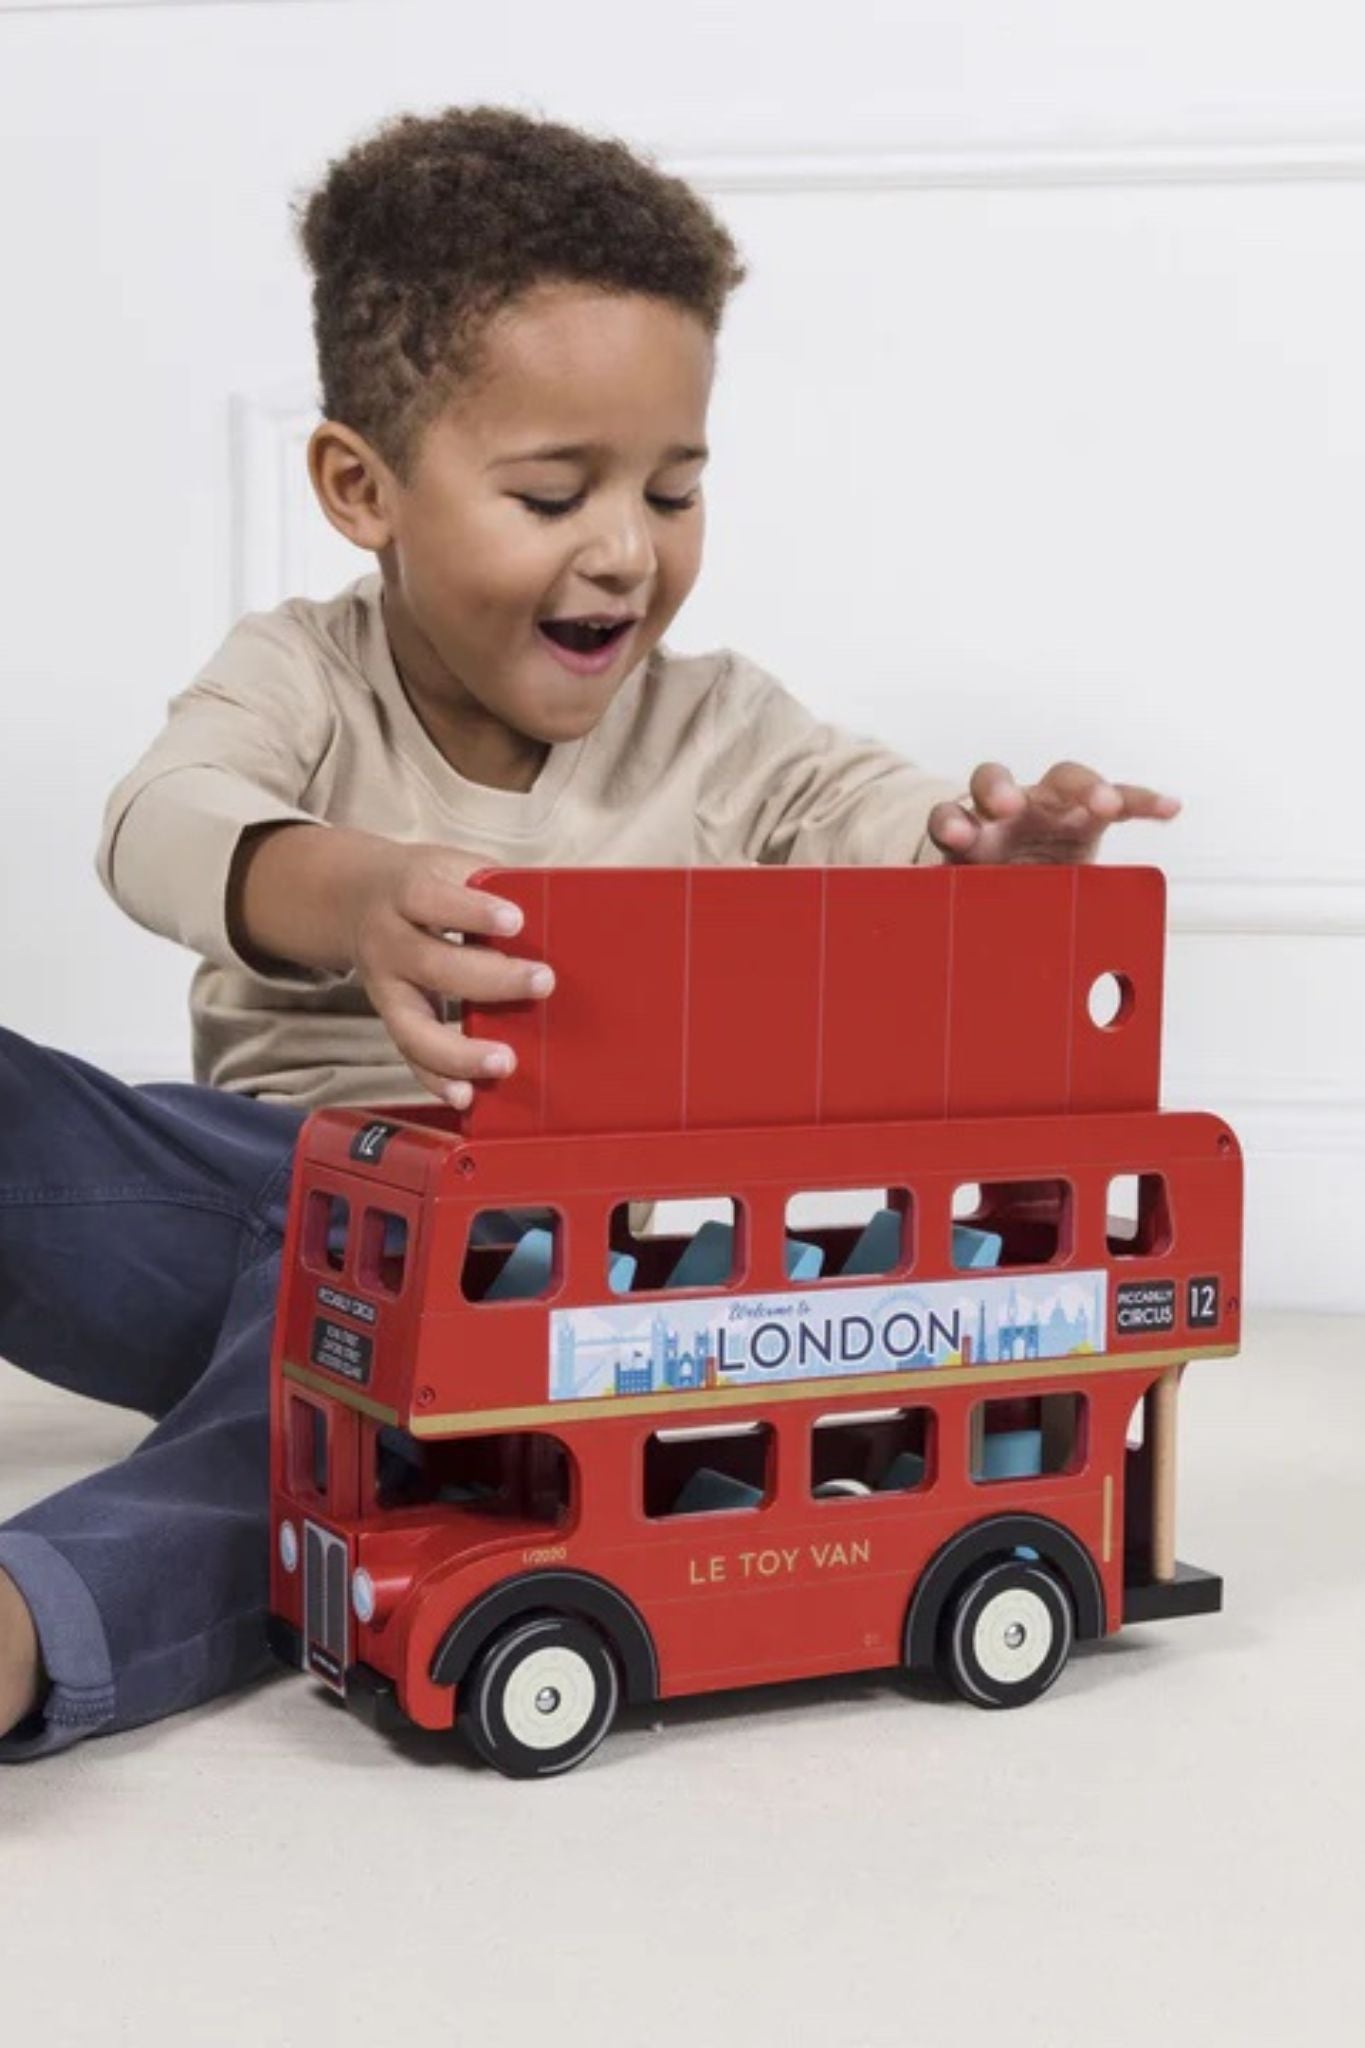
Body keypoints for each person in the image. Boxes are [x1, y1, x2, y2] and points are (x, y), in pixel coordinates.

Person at [0, 105, 1179, 1759]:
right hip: (248, 1194)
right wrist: (351, 889)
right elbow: (163, 819)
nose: (626, 549)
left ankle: (37, 1620)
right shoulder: (300, 675)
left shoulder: (720, 730)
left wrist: (988, 857)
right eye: (553, 493)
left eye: (672, 489)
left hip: (527, 1277)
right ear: (361, 488)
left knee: (332, 1401)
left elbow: (867, 815)